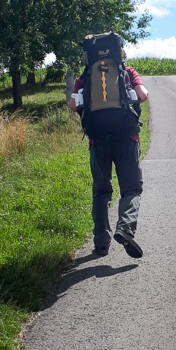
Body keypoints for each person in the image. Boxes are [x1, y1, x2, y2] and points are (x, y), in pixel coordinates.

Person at [70, 61, 149, 258]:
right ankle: (125, 228)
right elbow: (142, 95)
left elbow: (73, 105)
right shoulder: (128, 72)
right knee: (131, 188)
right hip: (127, 139)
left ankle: (101, 244)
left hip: (97, 141)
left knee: (101, 191)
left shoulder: (85, 76)